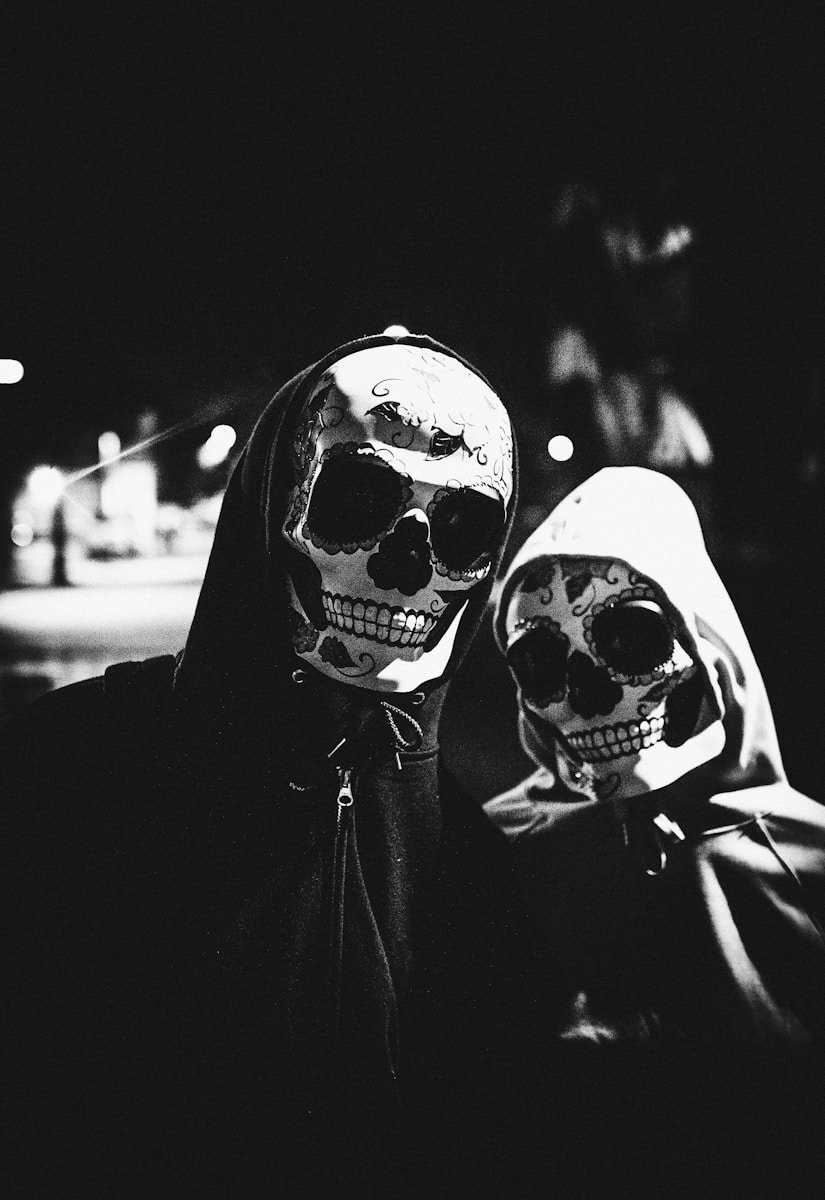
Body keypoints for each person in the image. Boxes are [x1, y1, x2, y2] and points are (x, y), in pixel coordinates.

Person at [2, 331, 531, 1198]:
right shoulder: (69, 768)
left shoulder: (467, 862)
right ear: (271, 504)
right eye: (358, 497)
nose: (405, 567)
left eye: (460, 526)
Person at [485, 466, 825, 1195]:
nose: (588, 693)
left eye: (631, 637)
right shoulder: (488, 856)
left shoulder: (807, 861)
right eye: (541, 662)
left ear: (704, 644)